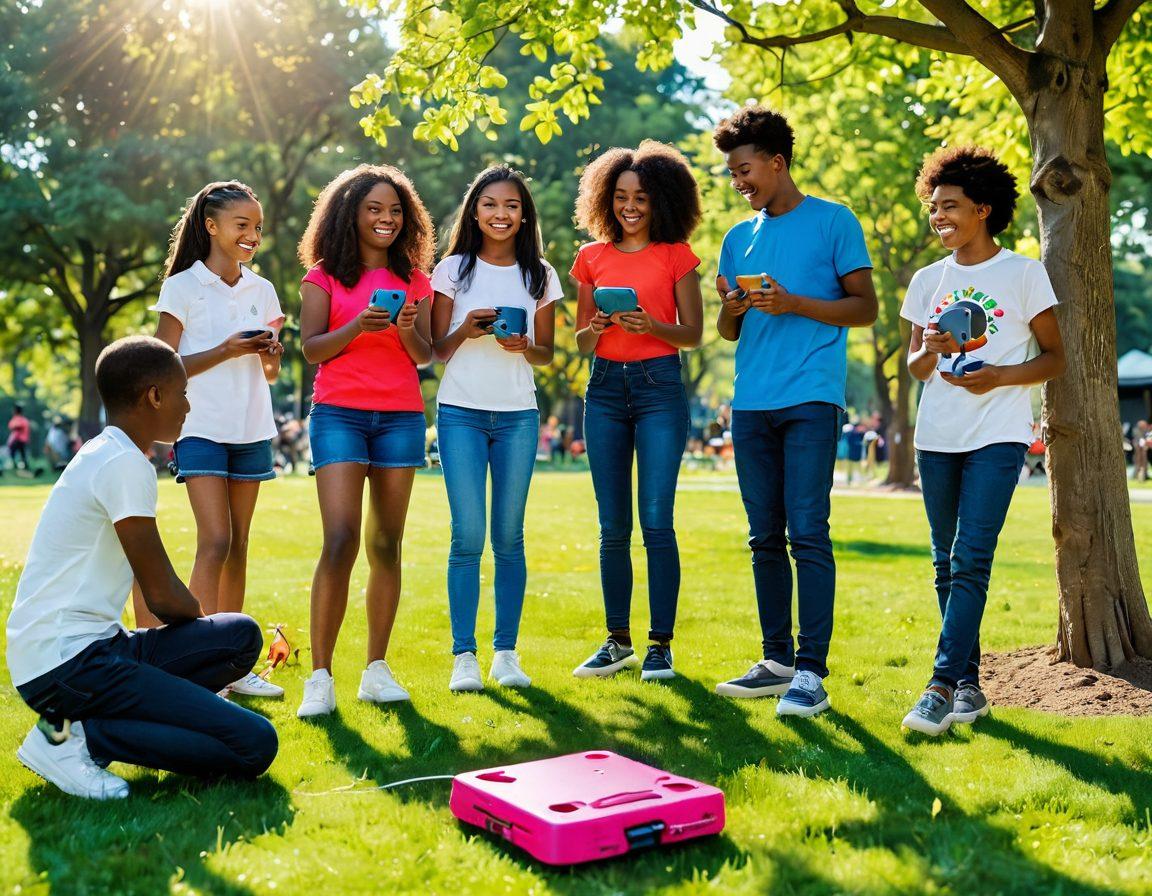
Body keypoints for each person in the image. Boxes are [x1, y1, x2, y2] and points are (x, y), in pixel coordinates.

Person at [8, 336, 278, 799]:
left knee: (239, 636)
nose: (188, 406)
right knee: (255, 743)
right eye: (182, 393)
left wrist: (201, 639)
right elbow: (163, 596)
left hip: (93, 649)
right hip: (66, 664)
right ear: (154, 395)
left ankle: (84, 723)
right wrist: (197, 627)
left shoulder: (109, 450)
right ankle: (77, 739)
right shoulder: (122, 462)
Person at [711, 106, 877, 716]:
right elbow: (727, 331)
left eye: (744, 170)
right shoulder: (737, 237)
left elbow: (865, 308)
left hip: (811, 396)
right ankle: (777, 660)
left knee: (807, 531)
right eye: (732, 173)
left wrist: (795, 303)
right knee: (763, 537)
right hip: (751, 402)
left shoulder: (834, 221)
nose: (738, 182)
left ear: (777, 162)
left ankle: (811, 672)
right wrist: (731, 306)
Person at [899, 146, 1064, 735]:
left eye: (950, 206)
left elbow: (1055, 357)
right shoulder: (928, 280)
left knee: (971, 557)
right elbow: (916, 368)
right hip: (936, 434)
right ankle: (969, 685)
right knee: (946, 564)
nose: (938, 216)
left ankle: (940, 685)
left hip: (998, 433)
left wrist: (999, 376)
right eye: (934, 207)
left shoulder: (1023, 273)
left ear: (983, 209)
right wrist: (931, 349)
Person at [295, 163, 435, 718]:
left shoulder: (415, 280)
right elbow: (311, 348)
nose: (386, 219)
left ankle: (376, 670)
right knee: (340, 540)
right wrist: (358, 326)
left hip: (400, 416)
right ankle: (320, 677)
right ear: (349, 214)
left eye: (395, 211)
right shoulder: (324, 277)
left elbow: (424, 355)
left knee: (386, 544)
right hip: (339, 415)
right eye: (374, 209)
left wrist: (405, 329)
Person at [570, 141, 704, 682]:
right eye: (621, 196)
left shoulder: (677, 255)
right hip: (604, 389)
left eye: (641, 197)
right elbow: (580, 342)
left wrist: (653, 326)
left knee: (656, 521)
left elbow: (692, 334)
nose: (630, 206)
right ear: (606, 199)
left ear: (660, 201)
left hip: (659, 389)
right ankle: (617, 640)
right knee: (612, 527)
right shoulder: (591, 258)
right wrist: (595, 327)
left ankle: (660, 645)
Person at [431, 165, 563, 692]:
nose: (500, 214)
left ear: (524, 214)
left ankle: (505, 653)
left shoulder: (540, 275)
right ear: (474, 211)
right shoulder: (452, 270)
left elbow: (547, 354)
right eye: (489, 204)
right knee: (467, 536)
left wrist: (523, 346)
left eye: (511, 205)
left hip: (517, 417)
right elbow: (436, 351)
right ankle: (464, 655)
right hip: (460, 412)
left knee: (509, 537)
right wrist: (467, 328)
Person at [151, 181, 285, 699]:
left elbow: (270, 375)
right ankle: (196, 664)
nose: (253, 235)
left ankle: (232, 664)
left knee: (239, 545)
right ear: (211, 226)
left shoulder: (263, 290)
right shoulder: (182, 287)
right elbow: (162, 366)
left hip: (251, 428)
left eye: (258, 227)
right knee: (216, 541)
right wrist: (227, 350)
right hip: (200, 427)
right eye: (242, 225)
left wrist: (270, 354)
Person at [7, 405, 33, 471]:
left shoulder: (17, 419)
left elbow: (15, 427)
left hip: (18, 439)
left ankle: (16, 465)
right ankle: (24, 465)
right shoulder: (24, 419)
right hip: (23, 440)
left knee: (13, 452)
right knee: (22, 453)